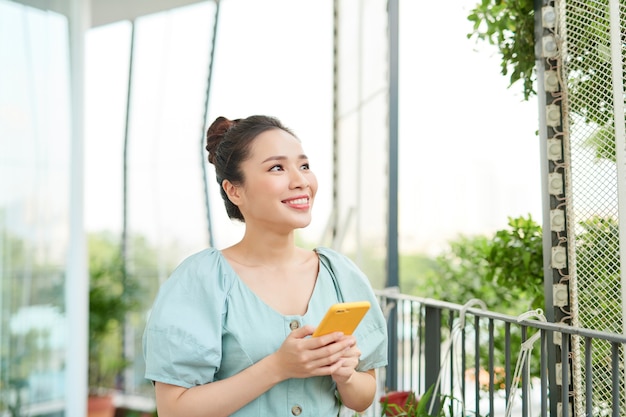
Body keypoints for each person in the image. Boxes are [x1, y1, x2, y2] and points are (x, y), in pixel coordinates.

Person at [143, 115, 388, 417]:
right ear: (234, 190)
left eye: (304, 165)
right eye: (277, 168)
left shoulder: (340, 274)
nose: (300, 181)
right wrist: (277, 367)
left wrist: (346, 375)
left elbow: (363, 397)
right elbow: (174, 410)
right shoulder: (201, 281)